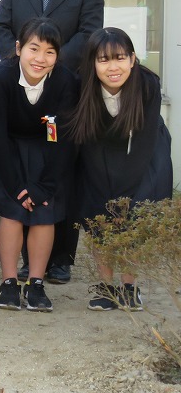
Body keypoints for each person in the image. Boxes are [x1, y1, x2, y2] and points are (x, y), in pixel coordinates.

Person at [0, 0, 106, 283]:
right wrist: (25, 62)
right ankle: (28, 259)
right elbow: (2, 27)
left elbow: (89, 33)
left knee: (63, 168)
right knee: (27, 172)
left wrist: (51, 65)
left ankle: (61, 258)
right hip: (24, 87)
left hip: (68, 90)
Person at [66, 28, 172, 312]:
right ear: (92, 64)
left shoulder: (147, 85)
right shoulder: (82, 86)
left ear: (133, 59)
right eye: (104, 60)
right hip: (98, 149)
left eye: (120, 58)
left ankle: (129, 286)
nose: (113, 67)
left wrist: (124, 195)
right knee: (98, 212)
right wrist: (105, 192)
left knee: (134, 212)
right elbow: (87, 142)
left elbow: (143, 145)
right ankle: (106, 286)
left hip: (143, 150)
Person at [0, 18, 79, 313]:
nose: (40, 58)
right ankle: (9, 283)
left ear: (57, 56)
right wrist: (17, 186)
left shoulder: (64, 80)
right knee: (13, 210)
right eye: (33, 49)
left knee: (44, 211)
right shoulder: (1, 77)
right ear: (18, 48)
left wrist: (43, 185)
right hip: (6, 151)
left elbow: (63, 138)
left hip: (48, 153)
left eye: (50, 52)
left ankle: (36, 283)